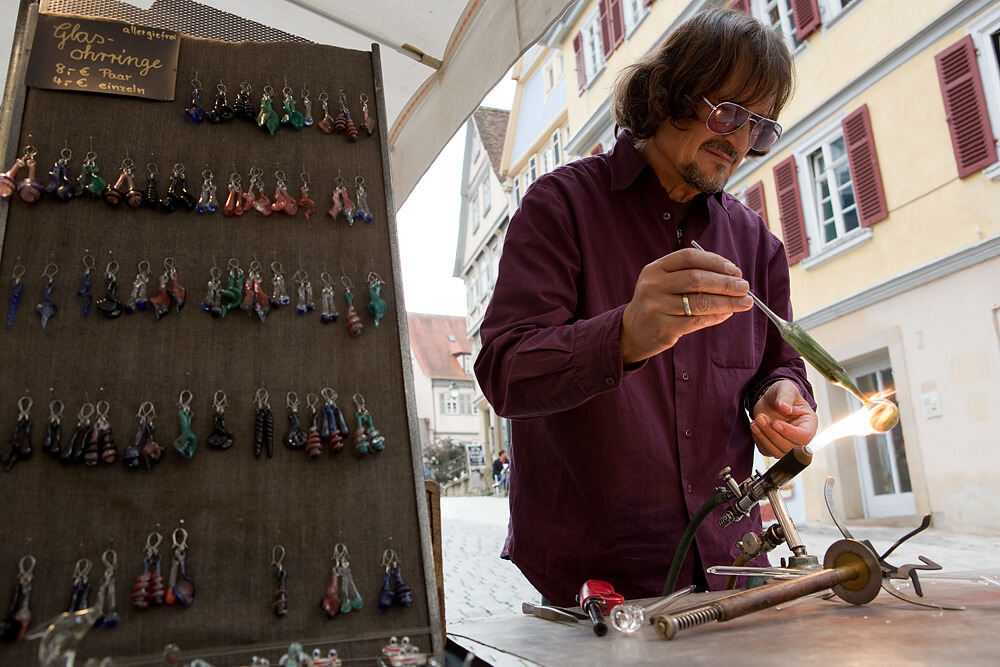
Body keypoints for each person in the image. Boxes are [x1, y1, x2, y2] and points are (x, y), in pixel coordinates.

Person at [474, 8, 818, 607]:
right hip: (599, 578)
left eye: (758, 127)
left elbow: (781, 367)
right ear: (667, 95)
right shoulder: (561, 206)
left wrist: (783, 400)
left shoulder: (756, 243)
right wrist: (625, 335)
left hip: (735, 567)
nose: (737, 142)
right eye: (728, 112)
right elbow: (506, 372)